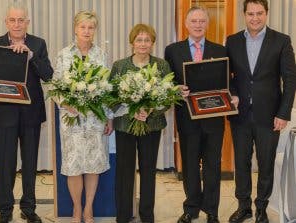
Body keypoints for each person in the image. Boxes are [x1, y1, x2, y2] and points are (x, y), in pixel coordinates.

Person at [226, 0, 296, 222]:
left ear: (267, 14)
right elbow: (227, 76)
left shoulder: (282, 41)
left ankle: (262, 207)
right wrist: (233, 94)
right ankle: (244, 206)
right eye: (250, 14)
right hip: (240, 115)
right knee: (242, 162)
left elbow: (290, 80)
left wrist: (284, 113)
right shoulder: (232, 41)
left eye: (259, 13)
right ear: (243, 15)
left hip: (270, 116)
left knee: (266, 163)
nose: (254, 18)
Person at [0, 2, 53, 223]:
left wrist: (32, 56)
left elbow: (48, 76)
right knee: (5, 164)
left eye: (21, 20)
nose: (17, 24)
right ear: (6, 22)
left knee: (30, 162)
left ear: (27, 22)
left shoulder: (38, 44)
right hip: (4, 115)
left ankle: (28, 207)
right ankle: (5, 211)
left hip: (31, 115)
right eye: (12, 20)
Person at [165, 6, 228, 223]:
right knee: (190, 165)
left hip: (214, 118)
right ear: (186, 24)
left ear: (207, 24)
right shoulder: (172, 50)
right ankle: (191, 208)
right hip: (187, 119)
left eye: (202, 21)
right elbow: (167, 81)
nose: (198, 24)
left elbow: (227, 83)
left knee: (213, 165)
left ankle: (212, 210)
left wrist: (232, 97)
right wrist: (175, 89)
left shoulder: (220, 50)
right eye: (194, 21)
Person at [53, 11, 113, 223]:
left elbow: (107, 89)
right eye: (83, 27)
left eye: (91, 28)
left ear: (95, 30)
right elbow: (56, 87)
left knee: (93, 165)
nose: (86, 31)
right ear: (75, 29)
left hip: (95, 121)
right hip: (72, 119)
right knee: (74, 166)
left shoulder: (102, 55)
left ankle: (88, 208)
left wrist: (109, 117)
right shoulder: (63, 55)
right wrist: (66, 102)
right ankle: (77, 209)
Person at [110, 23, 171, 223]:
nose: (143, 44)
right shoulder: (120, 65)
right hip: (125, 126)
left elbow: (168, 98)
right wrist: (132, 110)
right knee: (124, 171)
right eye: (139, 40)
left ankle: (147, 215)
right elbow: (111, 97)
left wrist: (151, 110)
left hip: (151, 126)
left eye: (147, 40)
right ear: (132, 42)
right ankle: (124, 214)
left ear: (152, 43)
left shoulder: (161, 65)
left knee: (148, 170)